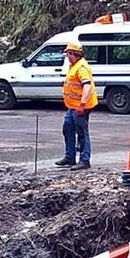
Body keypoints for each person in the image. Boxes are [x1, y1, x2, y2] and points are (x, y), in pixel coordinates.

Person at [56, 42, 98, 170]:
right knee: (67, 128)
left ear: (74, 54)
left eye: (68, 53)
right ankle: (70, 157)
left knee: (82, 133)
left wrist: (82, 105)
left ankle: (85, 160)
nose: (67, 56)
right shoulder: (73, 66)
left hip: (80, 107)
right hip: (72, 106)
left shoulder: (81, 68)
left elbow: (87, 86)